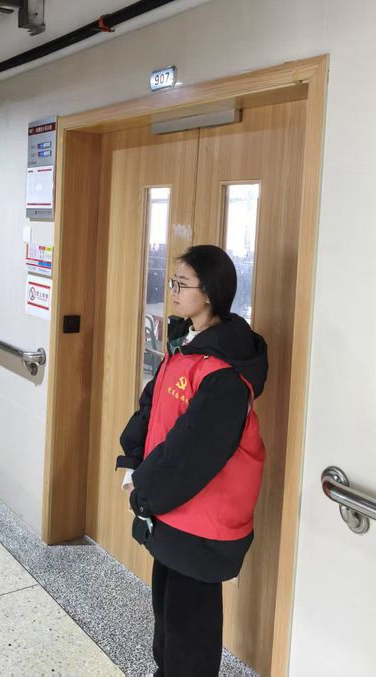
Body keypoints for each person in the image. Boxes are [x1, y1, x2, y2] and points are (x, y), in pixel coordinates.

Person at [117, 245, 268, 677]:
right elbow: (152, 406)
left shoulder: (224, 372)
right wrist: (133, 460)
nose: (173, 291)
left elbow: (193, 453)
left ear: (211, 293)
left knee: (191, 632)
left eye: (182, 284)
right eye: (173, 282)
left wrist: (146, 490)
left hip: (202, 521)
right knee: (168, 618)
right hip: (173, 508)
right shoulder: (185, 345)